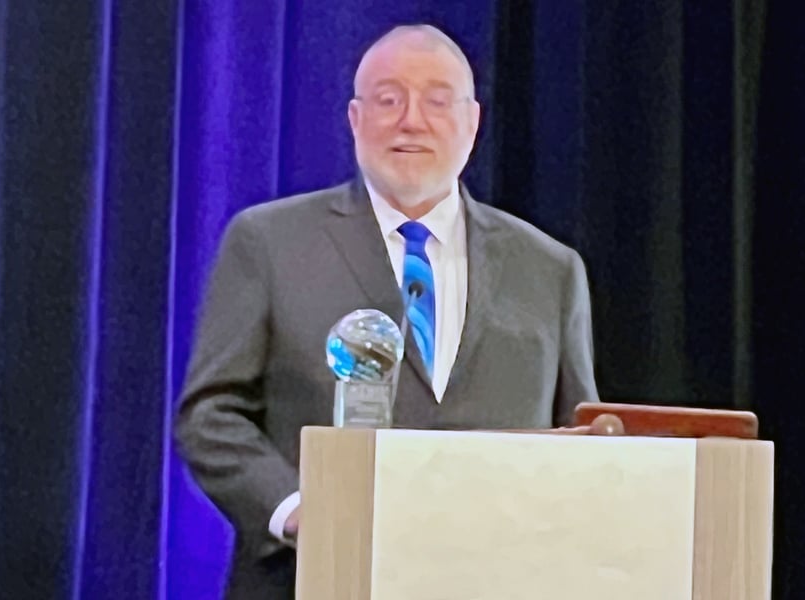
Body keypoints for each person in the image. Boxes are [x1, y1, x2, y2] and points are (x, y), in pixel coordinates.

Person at [174, 23, 599, 599]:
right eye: (388, 99)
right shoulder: (269, 243)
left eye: (436, 101)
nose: (411, 120)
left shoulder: (550, 269)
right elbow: (210, 416)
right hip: (314, 578)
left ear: (473, 123)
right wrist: (300, 511)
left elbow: (583, 438)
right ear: (355, 119)